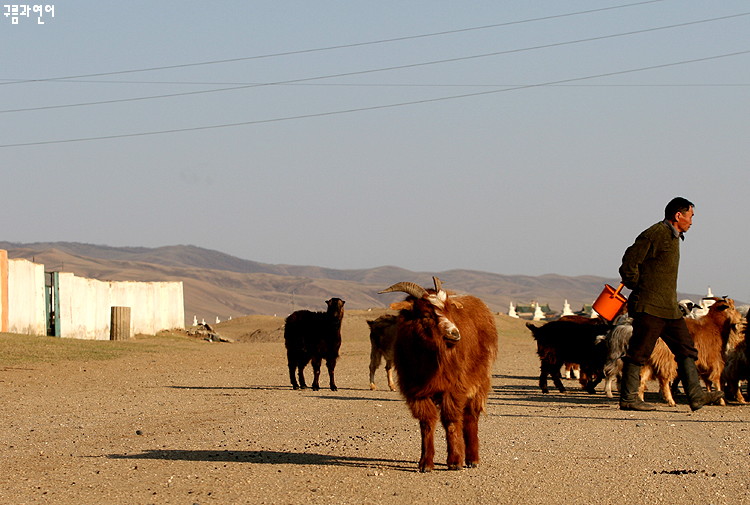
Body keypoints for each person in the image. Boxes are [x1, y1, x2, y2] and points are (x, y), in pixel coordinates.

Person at [617, 197, 723, 411]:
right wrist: (639, 286)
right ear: (678, 216)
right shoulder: (655, 234)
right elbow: (629, 262)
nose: (692, 222)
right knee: (639, 352)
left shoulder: (674, 237)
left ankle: (696, 396)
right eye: (691, 216)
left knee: (686, 349)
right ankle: (628, 397)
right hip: (649, 307)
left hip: (669, 308)